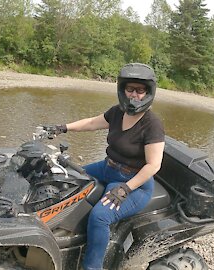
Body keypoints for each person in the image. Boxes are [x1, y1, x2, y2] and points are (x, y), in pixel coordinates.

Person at [43, 63, 165, 270]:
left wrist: (125, 188)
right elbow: (91, 122)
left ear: (148, 92)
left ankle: (93, 267)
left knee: (100, 216)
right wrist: (62, 128)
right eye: (130, 89)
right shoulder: (118, 112)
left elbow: (153, 165)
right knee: (66, 178)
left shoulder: (152, 123)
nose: (134, 95)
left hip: (133, 182)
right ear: (123, 89)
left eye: (140, 90)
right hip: (107, 167)